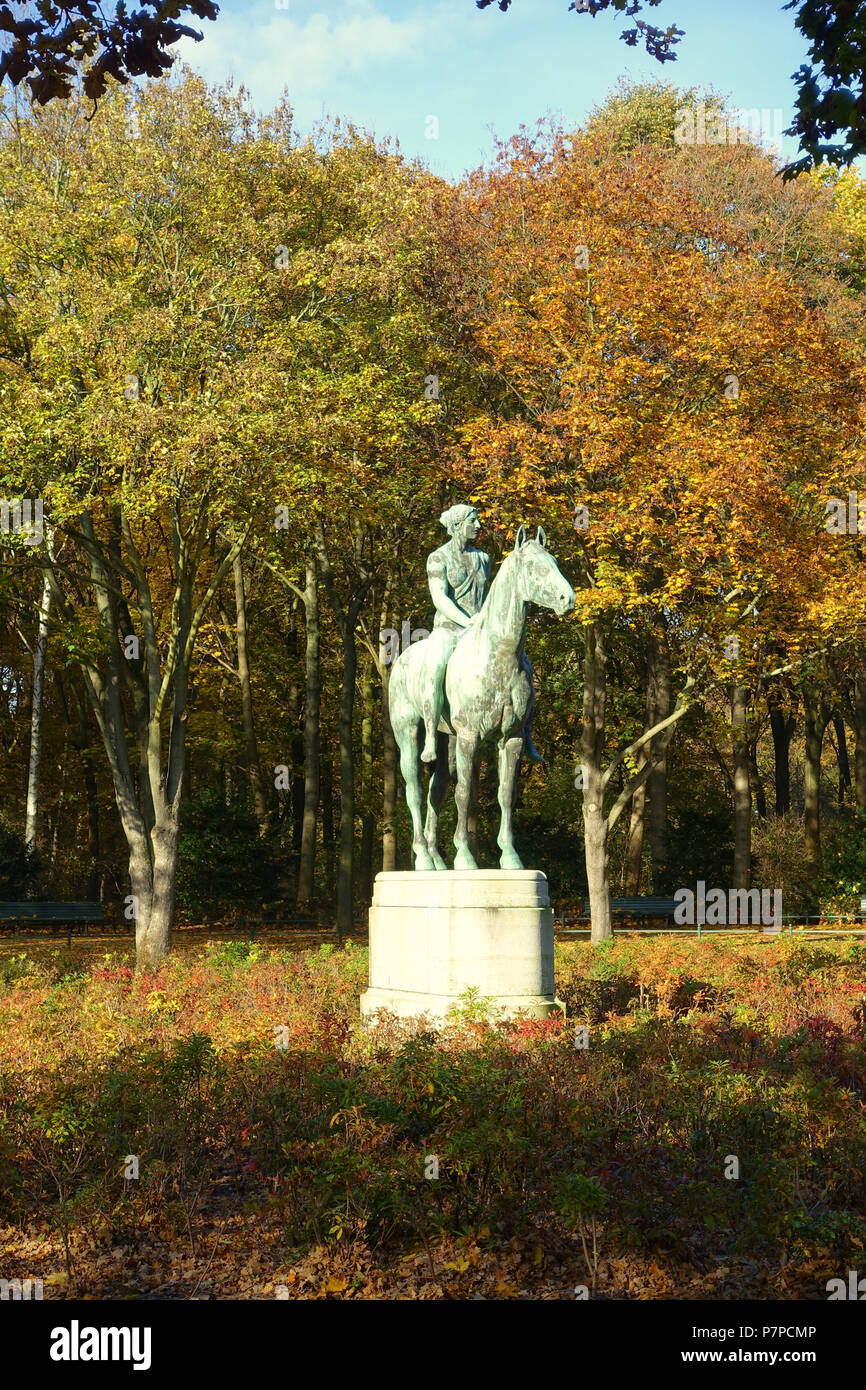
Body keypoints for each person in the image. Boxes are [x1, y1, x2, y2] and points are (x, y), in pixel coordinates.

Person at [420, 502, 542, 763]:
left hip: (481, 630)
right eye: (472, 521)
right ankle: (431, 735)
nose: (478, 526)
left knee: (524, 668)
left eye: (477, 521)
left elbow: (489, 598)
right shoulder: (437, 558)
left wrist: (489, 624)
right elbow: (440, 598)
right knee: (435, 665)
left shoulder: (483, 558)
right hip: (450, 628)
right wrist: (467, 622)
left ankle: (526, 734)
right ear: (456, 526)